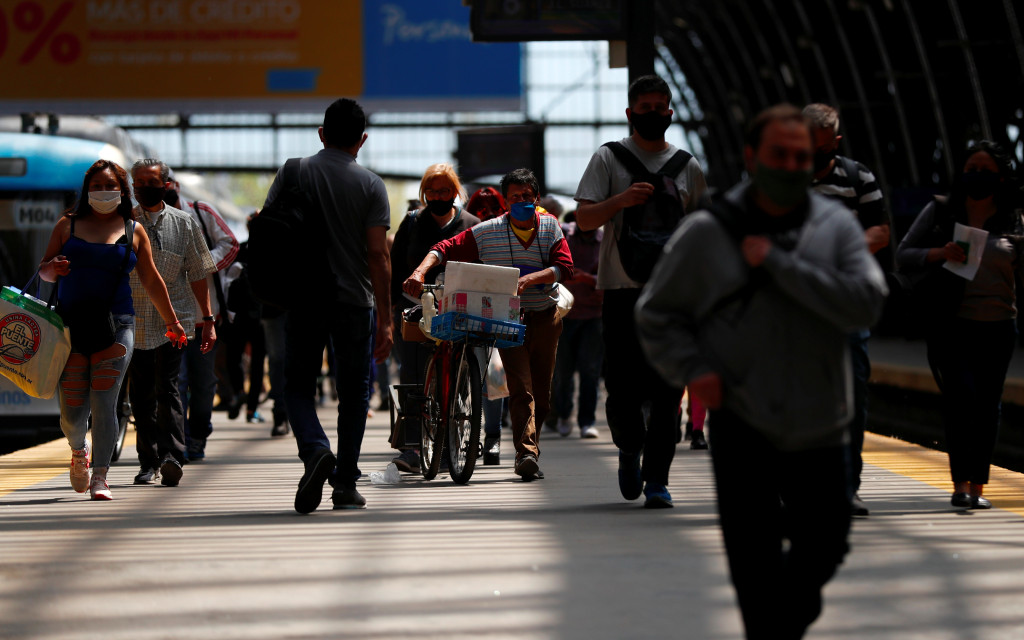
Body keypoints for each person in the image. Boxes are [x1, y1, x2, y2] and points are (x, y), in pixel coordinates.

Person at [635, 104, 888, 639]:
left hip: (822, 420)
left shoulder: (836, 227)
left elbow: (866, 301)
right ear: (752, 157)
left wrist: (778, 263)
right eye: (781, 154)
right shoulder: (709, 232)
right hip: (743, 420)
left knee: (826, 544)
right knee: (753, 562)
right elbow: (656, 313)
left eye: (803, 156)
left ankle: (779, 625)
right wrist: (692, 368)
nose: (794, 165)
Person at [574, 74, 707, 508]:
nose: (654, 114)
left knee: (670, 394)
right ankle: (629, 448)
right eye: (645, 108)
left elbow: (703, 233)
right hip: (621, 291)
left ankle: (657, 481)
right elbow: (587, 220)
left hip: (674, 299)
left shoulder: (688, 166)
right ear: (630, 114)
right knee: (624, 390)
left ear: (671, 112)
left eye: (660, 107)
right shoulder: (608, 159)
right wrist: (621, 201)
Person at [263, 97, 392, 514]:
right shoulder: (372, 185)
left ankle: (316, 448)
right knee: (354, 394)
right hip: (354, 301)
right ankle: (345, 487)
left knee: (296, 386)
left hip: (303, 298)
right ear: (363, 140)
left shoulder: (293, 171)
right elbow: (378, 255)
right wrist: (387, 320)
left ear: (321, 134)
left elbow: (269, 228)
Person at [404, 168, 573, 481]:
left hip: (546, 317)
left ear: (536, 198)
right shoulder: (487, 232)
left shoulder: (550, 226)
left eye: (526, 196)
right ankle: (526, 454)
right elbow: (443, 249)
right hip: (508, 321)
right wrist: (419, 272)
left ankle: (531, 446)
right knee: (521, 388)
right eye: (514, 197)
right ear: (505, 202)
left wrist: (534, 278)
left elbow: (565, 267)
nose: (521, 201)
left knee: (542, 395)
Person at [38, 160, 187, 500]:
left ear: (121, 190)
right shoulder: (67, 226)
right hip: (70, 328)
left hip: (118, 325)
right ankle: (79, 451)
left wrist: (172, 322)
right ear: (86, 190)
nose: (102, 192)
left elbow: (150, 278)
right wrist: (53, 269)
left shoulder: (133, 228)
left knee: (105, 401)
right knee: (73, 411)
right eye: (96, 186)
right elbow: (43, 271)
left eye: (109, 186)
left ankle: (100, 477)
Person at [896, 141, 1023, 510]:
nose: (977, 175)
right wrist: (940, 252)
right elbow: (904, 253)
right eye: (971, 167)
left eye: (985, 170)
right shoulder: (941, 210)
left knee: (987, 406)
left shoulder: (1013, 220)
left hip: (999, 327)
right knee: (961, 398)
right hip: (953, 324)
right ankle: (960, 484)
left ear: (1000, 177)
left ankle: (979, 486)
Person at [804, 103, 890, 516]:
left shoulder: (859, 178)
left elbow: (882, 231)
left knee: (852, 397)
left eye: (823, 150)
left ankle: (846, 487)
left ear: (835, 142)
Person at [127, 159, 218, 488]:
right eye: (138, 182)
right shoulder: (123, 223)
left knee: (168, 388)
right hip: (134, 321)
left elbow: (197, 274)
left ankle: (172, 456)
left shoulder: (184, 223)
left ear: (165, 184)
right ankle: (146, 461)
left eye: (150, 182)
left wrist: (206, 319)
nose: (143, 188)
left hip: (173, 321)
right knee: (141, 393)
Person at [388, 164, 479, 473]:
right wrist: (390, 312)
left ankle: (453, 443)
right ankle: (413, 447)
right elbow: (396, 267)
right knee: (413, 375)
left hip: (458, 311)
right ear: (423, 193)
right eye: (432, 191)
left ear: (455, 193)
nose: (438, 196)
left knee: (456, 377)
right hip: (415, 309)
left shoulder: (472, 224)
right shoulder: (413, 223)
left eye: (444, 191)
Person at [165, 172, 240, 460]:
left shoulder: (201, 212)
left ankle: (198, 433)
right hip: (168, 321)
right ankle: (178, 443)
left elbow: (231, 244)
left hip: (205, 317)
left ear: (176, 187)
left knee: (204, 383)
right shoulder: (143, 219)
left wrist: (201, 265)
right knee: (177, 383)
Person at [464, 186, 509, 463]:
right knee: (467, 377)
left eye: (494, 209)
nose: (488, 215)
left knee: (494, 376)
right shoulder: (467, 232)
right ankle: (468, 436)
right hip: (464, 313)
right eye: (482, 210)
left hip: (498, 316)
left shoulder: (508, 234)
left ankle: (492, 437)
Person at [548, 215, 603, 439]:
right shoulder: (563, 237)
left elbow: (611, 277)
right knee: (563, 371)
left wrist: (587, 278)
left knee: (591, 372)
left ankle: (587, 421)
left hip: (594, 315)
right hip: (564, 314)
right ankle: (563, 415)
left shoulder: (605, 240)